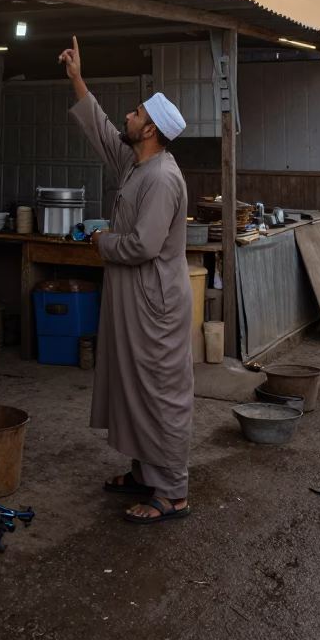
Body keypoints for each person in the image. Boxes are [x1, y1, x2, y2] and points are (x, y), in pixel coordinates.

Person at [59, 35, 193, 525]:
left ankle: (172, 490)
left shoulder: (161, 178)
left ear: (151, 129)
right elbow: (99, 131)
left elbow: (141, 246)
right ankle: (145, 474)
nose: (128, 118)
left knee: (158, 390)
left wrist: (101, 240)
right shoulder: (137, 165)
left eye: (136, 114)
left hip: (153, 303)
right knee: (132, 385)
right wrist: (76, 79)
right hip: (133, 300)